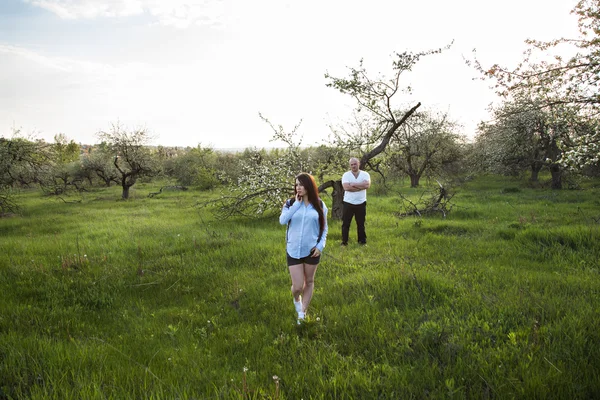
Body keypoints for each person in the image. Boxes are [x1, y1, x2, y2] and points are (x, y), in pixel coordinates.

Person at [279, 173, 328, 323]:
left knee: (310, 281)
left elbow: (324, 228)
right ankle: (296, 299)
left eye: (301, 184)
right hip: (293, 250)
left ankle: (302, 313)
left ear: (309, 186)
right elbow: (283, 221)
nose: (298, 187)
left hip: (312, 250)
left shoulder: (320, 205)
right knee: (298, 286)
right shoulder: (290, 203)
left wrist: (320, 246)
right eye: (296, 185)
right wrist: (296, 205)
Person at [341, 157, 371, 246]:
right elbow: (346, 187)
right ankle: (344, 242)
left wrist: (353, 185)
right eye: (352, 164)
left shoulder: (365, 174)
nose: (353, 166)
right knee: (346, 224)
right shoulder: (346, 175)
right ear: (350, 165)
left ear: (359, 164)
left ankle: (362, 242)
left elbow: (367, 185)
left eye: (355, 164)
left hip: (361, 202)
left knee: (361, 223)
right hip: (348, 203)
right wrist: (360, 187)